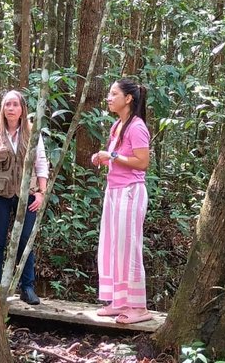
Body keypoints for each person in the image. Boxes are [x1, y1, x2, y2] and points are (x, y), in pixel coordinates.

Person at [90, 79, 152, 324]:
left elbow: (142, 162)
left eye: (113, 94)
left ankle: (139, 307)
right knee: (112, 246)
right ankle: (119, 300)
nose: (108, 98)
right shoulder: (118, 125)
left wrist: (113, 155)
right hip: (114, 190)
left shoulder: (137, 127)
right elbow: (120, 158)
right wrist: (104, 158)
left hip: (130, 191)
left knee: (130, 247)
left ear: (128, 99)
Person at [0, 90, 49, 305]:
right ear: (2, 108)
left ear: (22, 109)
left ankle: (27, 287)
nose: (11, 108)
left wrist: (41, 192)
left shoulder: (32, 133)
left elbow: (41, 162)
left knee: (24, 241)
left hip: (26, 194)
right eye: (7, 104)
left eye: (15, 104)